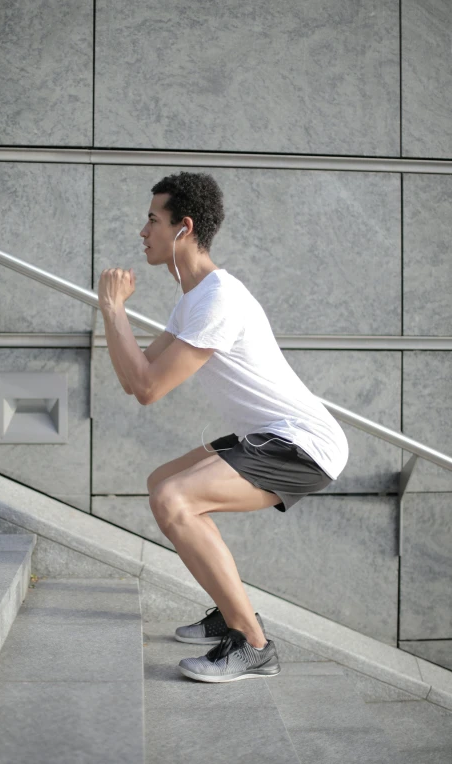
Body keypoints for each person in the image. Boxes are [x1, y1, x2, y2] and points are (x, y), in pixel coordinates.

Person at [97, 171, 349, 683]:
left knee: (174, 498)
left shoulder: (217, 299)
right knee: (161, 483)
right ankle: (228, 611)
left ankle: (253, 644)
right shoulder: (191, 299)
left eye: (152, 220)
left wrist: (112, 305)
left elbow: (146, 388)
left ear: (183, 228)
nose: (142, 231)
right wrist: (113, 314)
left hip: (303, 444)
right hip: (270, 434)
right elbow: (135, 377)